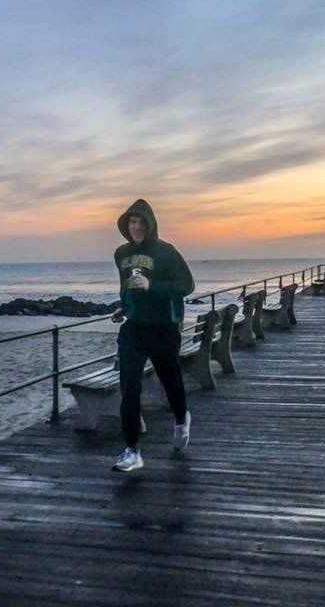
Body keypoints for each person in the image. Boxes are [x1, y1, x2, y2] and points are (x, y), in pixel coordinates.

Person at [110, 199, 195, 472]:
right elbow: (127, 287)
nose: (135, 227)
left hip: (163, 328)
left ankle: (182, 419)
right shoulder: (121, 253)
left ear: (150, 224)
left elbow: (187, 285)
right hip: (133, 330)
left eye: (140, 222)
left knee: (171, 383)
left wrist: (152, 286)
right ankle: (131, 451)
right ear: (126, 225)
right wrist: (124, 308)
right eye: (131, 222)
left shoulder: (166, 252)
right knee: (129, 388)